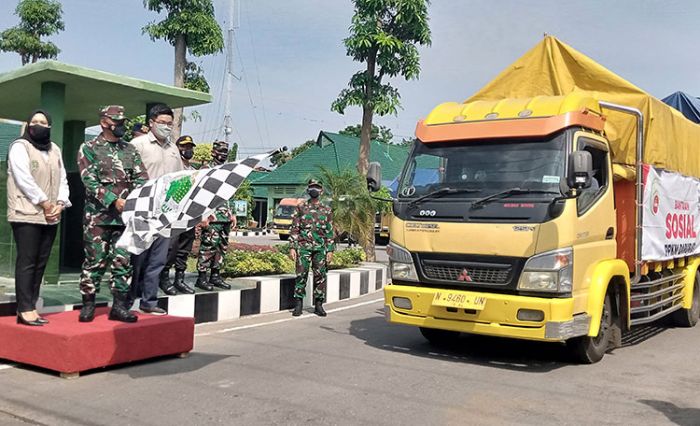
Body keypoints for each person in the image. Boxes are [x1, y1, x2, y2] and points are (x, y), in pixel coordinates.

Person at [77, 105, 148, 323]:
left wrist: (132, 200)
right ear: (104, 122)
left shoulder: (130, 150)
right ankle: (88, 304)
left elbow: (142, 178)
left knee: (123, 263)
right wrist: (113, 200)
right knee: (94, 261)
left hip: (125, 218)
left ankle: (119, 306)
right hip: (98, 217)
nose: (121, 126)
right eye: (117, 122)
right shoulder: (89, 147)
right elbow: (89, 181)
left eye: (123, 122)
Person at [7, 110, 71, 326]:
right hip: (26, 212)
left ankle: (32, 305)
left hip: (51, 213)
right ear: (27, 124)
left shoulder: (54, 149)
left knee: (41, 262)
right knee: (27, 261)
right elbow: (23, 178)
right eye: (34, 122)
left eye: (43, 122)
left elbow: (62, 179)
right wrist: (44, 202)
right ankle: (24, 308)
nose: (38, 125)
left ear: (50, 126)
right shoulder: (20, 146)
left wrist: (60, 203)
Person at [129, 104, 184, 314]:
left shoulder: (173, 150)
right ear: (151, 123)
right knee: (137, 258)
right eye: (162, 123)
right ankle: (129, 300)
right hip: (142, 210)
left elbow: (180, 180)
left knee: (157, 260)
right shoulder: (137, 144)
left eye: (170, 124)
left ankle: (149, 302)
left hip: (164, 213)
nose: (166, 127)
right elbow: (126, 177)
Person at [288, 179, 335, 317]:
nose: (314, 189)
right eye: (312, 187)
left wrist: (330, 250)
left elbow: (330, 232)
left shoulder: (327, 210)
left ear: (321, 190)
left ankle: (319, 305)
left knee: (320, 276)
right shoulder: (301, 207)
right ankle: (298, 305)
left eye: (317, 187)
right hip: (303, 247)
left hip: (320, 248)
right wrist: (292, 247)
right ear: (308, 190)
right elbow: (295, 229)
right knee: (301, 275)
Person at [160, 135, 198, 295]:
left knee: (184, 249)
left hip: (188, 215)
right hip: (172, 215)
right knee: (171, 248)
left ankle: (179, 279)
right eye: (184, 147)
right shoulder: (172, 166)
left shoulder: (194, 170)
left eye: (190, 147)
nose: (187, 150)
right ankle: (164, 279)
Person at [195, 141, 235, 291]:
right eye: (221, 151)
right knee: (208, 246)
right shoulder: (206, 169)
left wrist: (233, 213)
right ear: (213, 152)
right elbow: (200, 194)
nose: (223, 154)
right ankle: (202, 277)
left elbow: (230, 193)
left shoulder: (228, 170)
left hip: (225, 216)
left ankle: (216, 275)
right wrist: (203, 216)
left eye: (226, 151)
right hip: (212, 217)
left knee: (221, 248)